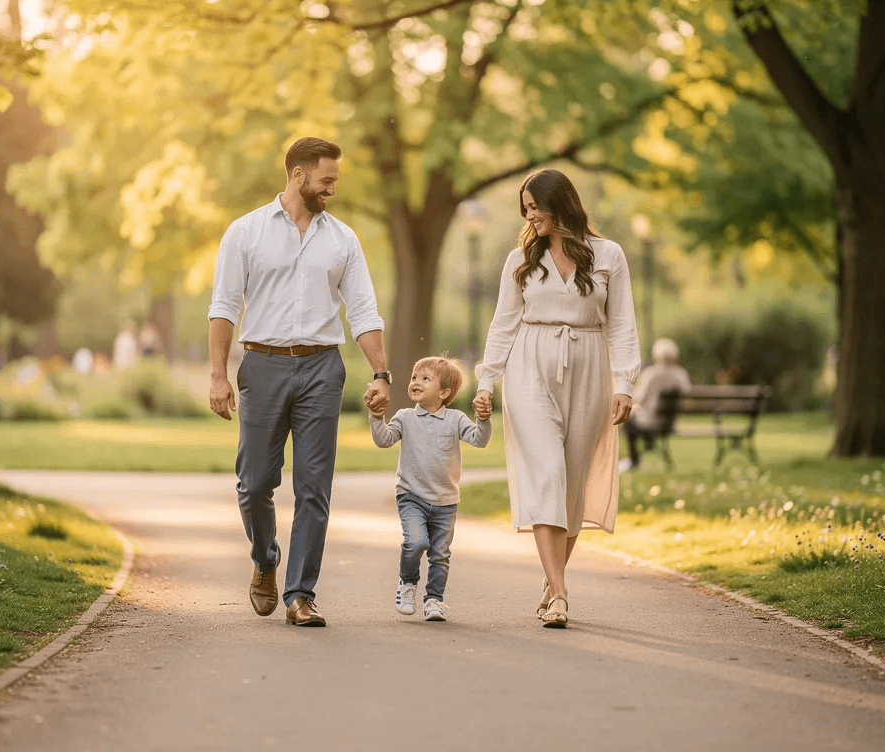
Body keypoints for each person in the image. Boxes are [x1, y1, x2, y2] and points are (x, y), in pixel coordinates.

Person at [208, 137, 391, 628]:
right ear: (297, 176)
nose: (332, 188)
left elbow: (364, 311)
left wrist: (380, 372)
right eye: (326, 180)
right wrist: (217, 374)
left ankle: (300, 593)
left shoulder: (343, 239)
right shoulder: (244, 233)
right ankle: (266, 559)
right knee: (254, 483)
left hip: (321, 368)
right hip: (262, 366)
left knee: (314, 487)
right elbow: (224, 307)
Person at [472, 169, 641, 628]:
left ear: (560, 203)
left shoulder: (609, 255)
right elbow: (503, 324)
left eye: (534, 206)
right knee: (547, 470)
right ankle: (562, 594)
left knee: (571, 483)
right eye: (524, 209)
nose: (529, 216)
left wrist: (625, 384)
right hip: (530, 365)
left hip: (589, 366)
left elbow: (622, 323)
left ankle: (551, 583)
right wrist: (486, 382)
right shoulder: (520, 259)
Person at [369, 356, 492, 622]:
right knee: (416, 542)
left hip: (446, 501)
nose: (416, 382)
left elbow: (479, 440)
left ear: (444, 392)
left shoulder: (456, 419)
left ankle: (434, 600)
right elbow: (384, 440)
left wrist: (483, 420)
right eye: (415, 377)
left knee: (440, 554)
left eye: (426, 379)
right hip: (411, 495)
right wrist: (377, 417)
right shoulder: (404, 417)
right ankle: (407, 582)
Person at [624, 337, 692, 469]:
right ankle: (647, 446)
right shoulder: (681, 374)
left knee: (627, 422)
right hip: (669, 423)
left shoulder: (651, 374)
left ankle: (634, 460)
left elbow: (639, 398)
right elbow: (687, 395)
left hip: (649, 421)